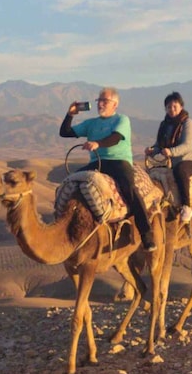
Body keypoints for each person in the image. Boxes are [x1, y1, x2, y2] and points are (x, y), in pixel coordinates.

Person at [60, 87, 156, 251]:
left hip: (118, 162)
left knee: (130, 189)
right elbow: (65, 132)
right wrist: (70, 114)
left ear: (115, 104)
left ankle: (147, 235)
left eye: (105, 101)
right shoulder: (91, 123)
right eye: (99, 101)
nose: (100, 104)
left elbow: (115, 138)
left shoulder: (122, 120)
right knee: (69, 183)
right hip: (97, 163)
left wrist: (98, 144)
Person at [145, 91, 192, 224]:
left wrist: (171, 152)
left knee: (180, 171)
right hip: (170, 162)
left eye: (175, 106)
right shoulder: (164, 125)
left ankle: (187, 206)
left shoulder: (187, 123)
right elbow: (159, 145)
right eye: (169, 107)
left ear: (181, 106)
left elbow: (187, 145)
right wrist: (152, 150)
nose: (172, 109)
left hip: (187, 161)